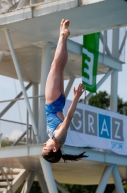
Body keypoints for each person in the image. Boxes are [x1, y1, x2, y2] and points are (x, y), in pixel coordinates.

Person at [42, 19, 88, 163]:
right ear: (54, 149)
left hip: (58, 101)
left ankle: (64, 33)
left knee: (59, 67)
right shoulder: (59, 137)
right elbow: (68, 118)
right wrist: (76, 98)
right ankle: (63, 34)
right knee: (55, 66)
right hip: (53, 102)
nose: (44, 144)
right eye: (45, 148)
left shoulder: (58, 139)